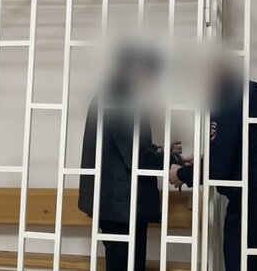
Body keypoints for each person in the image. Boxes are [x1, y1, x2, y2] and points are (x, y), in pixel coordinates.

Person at [169, 62, 257, 271]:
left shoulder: (228, 100)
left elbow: (220, 167)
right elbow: (244, 149)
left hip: (251, 205)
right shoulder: (255, 92)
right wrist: (204, 159)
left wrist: (181, 174)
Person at [78, 47, 182, 271]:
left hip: (118, 204)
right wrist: (172, 160)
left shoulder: (114, 93)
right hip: (122, 206)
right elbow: (135, 156)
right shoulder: (120, 97)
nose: (150, 82)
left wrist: (160, 152)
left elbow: (123, 149)